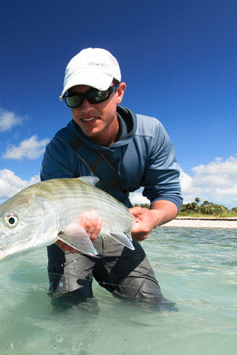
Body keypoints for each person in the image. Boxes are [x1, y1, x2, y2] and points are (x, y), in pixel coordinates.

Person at [41, 48, 182, 305]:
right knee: (69, 310)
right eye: (75, 99)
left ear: (119, 92)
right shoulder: (59, 149)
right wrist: (63, 237)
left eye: (96, 95)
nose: (86, 108)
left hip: (118, 227)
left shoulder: (151, 134)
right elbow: (53, 212)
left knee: (150, 305)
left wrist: (153, 216)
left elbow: (168, 194)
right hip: (69, 235)